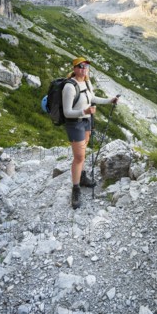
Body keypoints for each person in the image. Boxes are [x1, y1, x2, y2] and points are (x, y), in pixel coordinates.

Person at [62, 56, 118, 209]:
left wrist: (109, 100)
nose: (84, 69)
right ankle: (75, 188)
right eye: (80, 66)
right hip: (75, 123)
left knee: (83, 152)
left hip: (87, 121)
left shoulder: (86, 81)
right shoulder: (69, 87)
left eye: (86, 66)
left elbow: (91, 97)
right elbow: (67, 112)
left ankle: (81, 177)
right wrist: (84, 111)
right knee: (79, 156)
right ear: (74, 68)